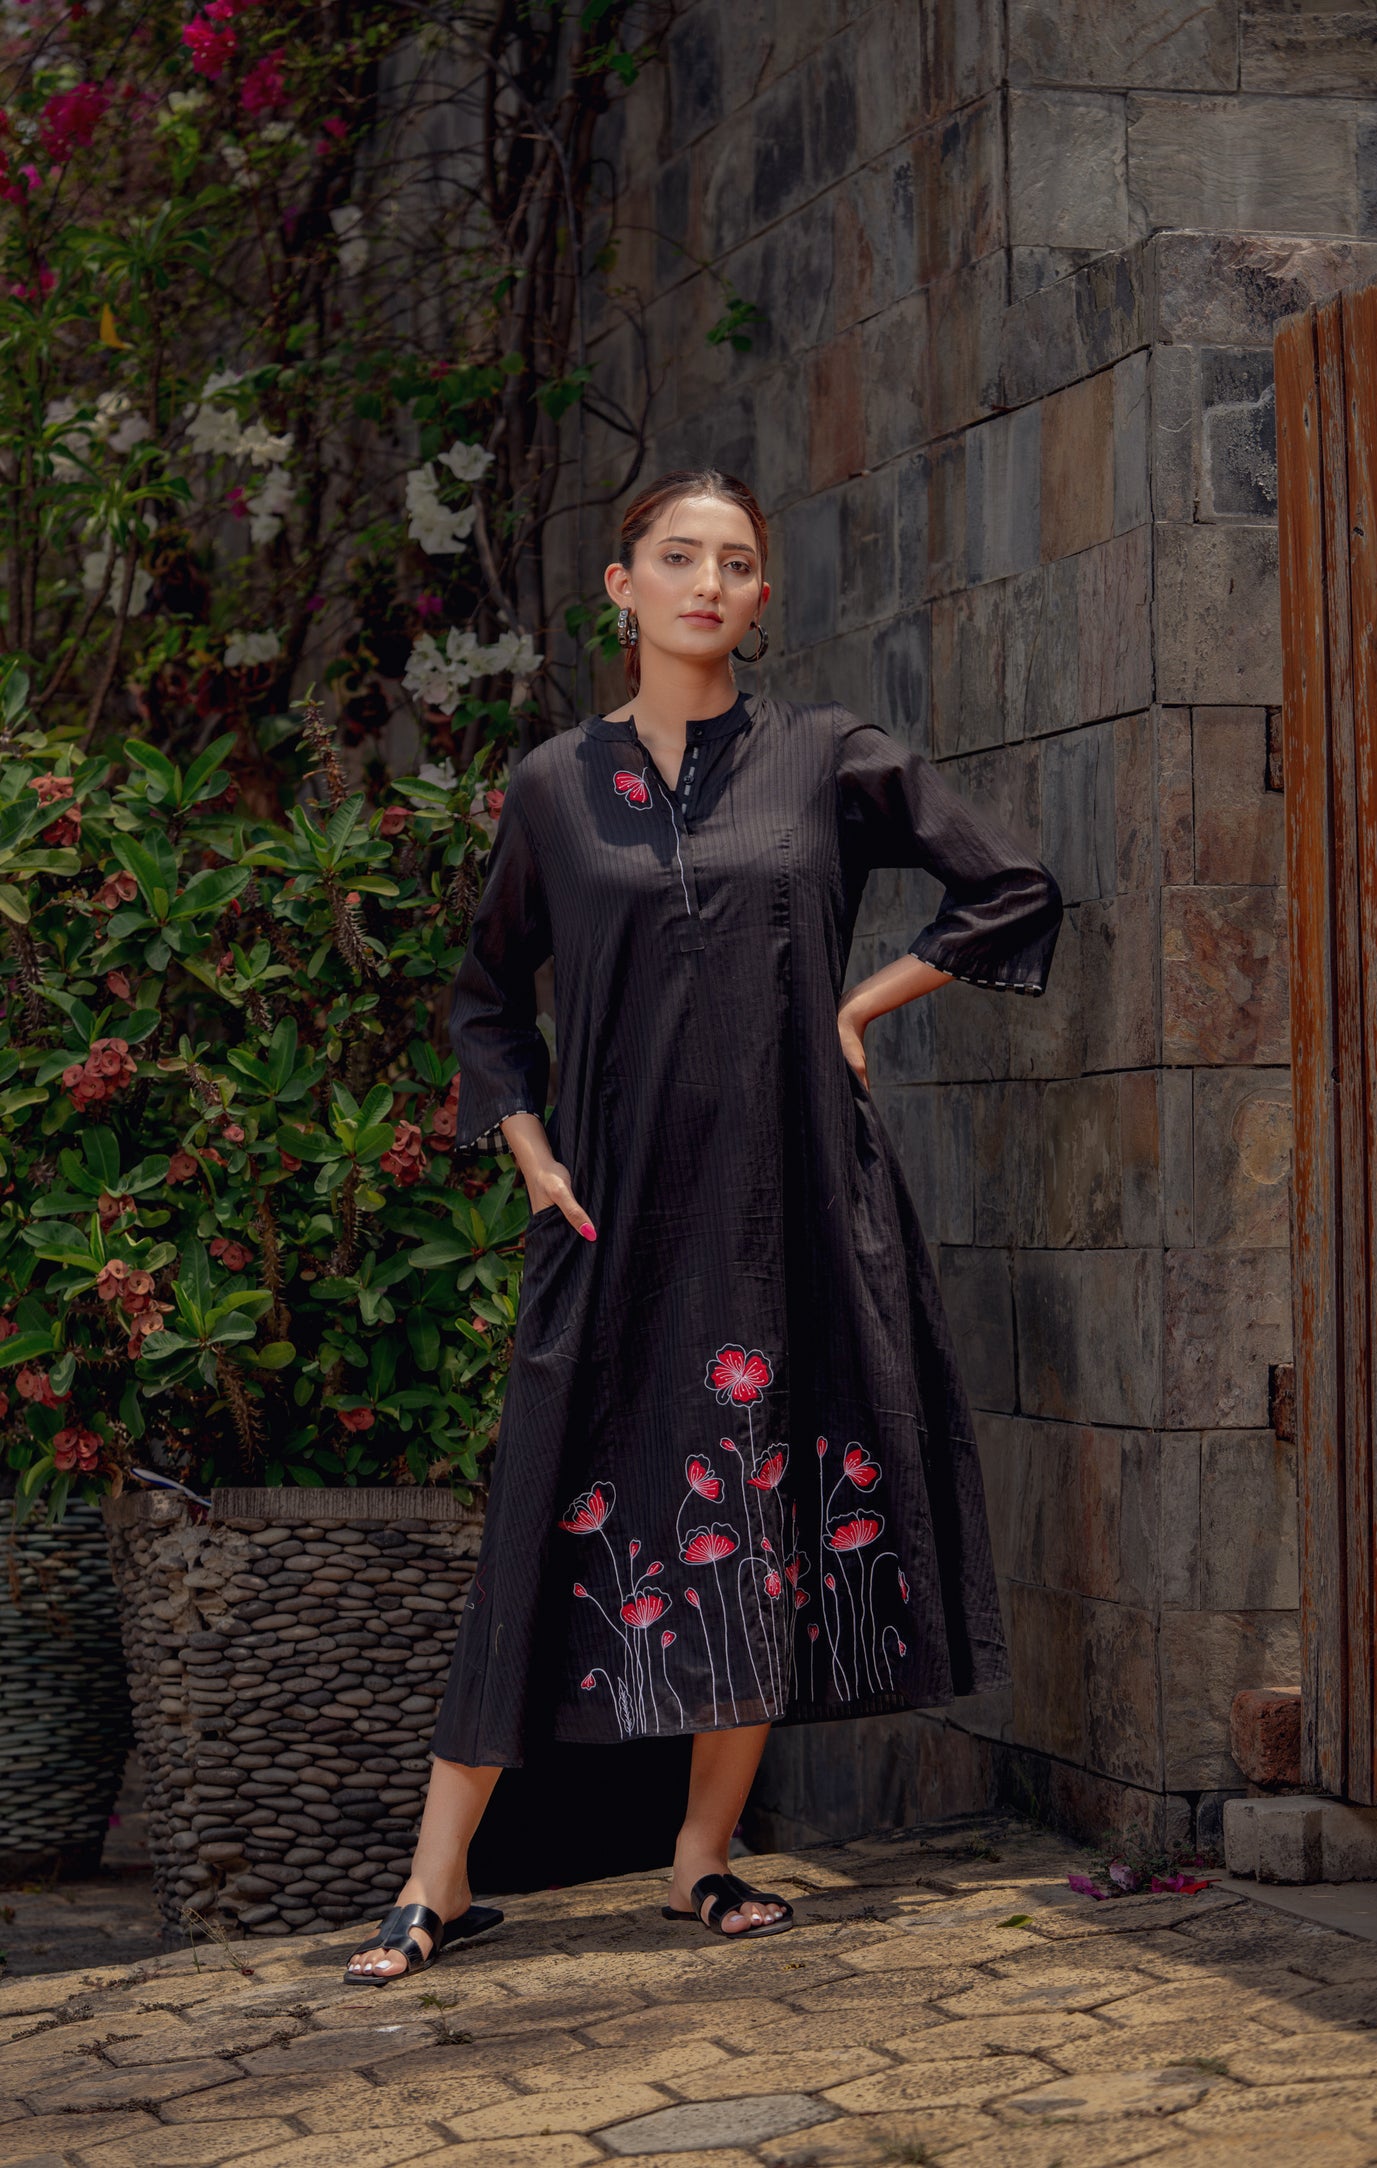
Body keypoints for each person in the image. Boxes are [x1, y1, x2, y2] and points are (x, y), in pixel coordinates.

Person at [346, 468, 1063, 1980]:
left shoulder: (823, 757)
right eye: (678, 557)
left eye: (735, 563)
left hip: (788, 1195)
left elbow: (1007, 886)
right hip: (609, 1210)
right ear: (621, 587)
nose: (707, 584)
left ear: (759, 597)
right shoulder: (555, 785)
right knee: (541, 1510)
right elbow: (486, 1000)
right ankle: (433, 1881)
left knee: (762, 1499)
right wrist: (530, 1153)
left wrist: (859, 1006)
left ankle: (702, 1858)